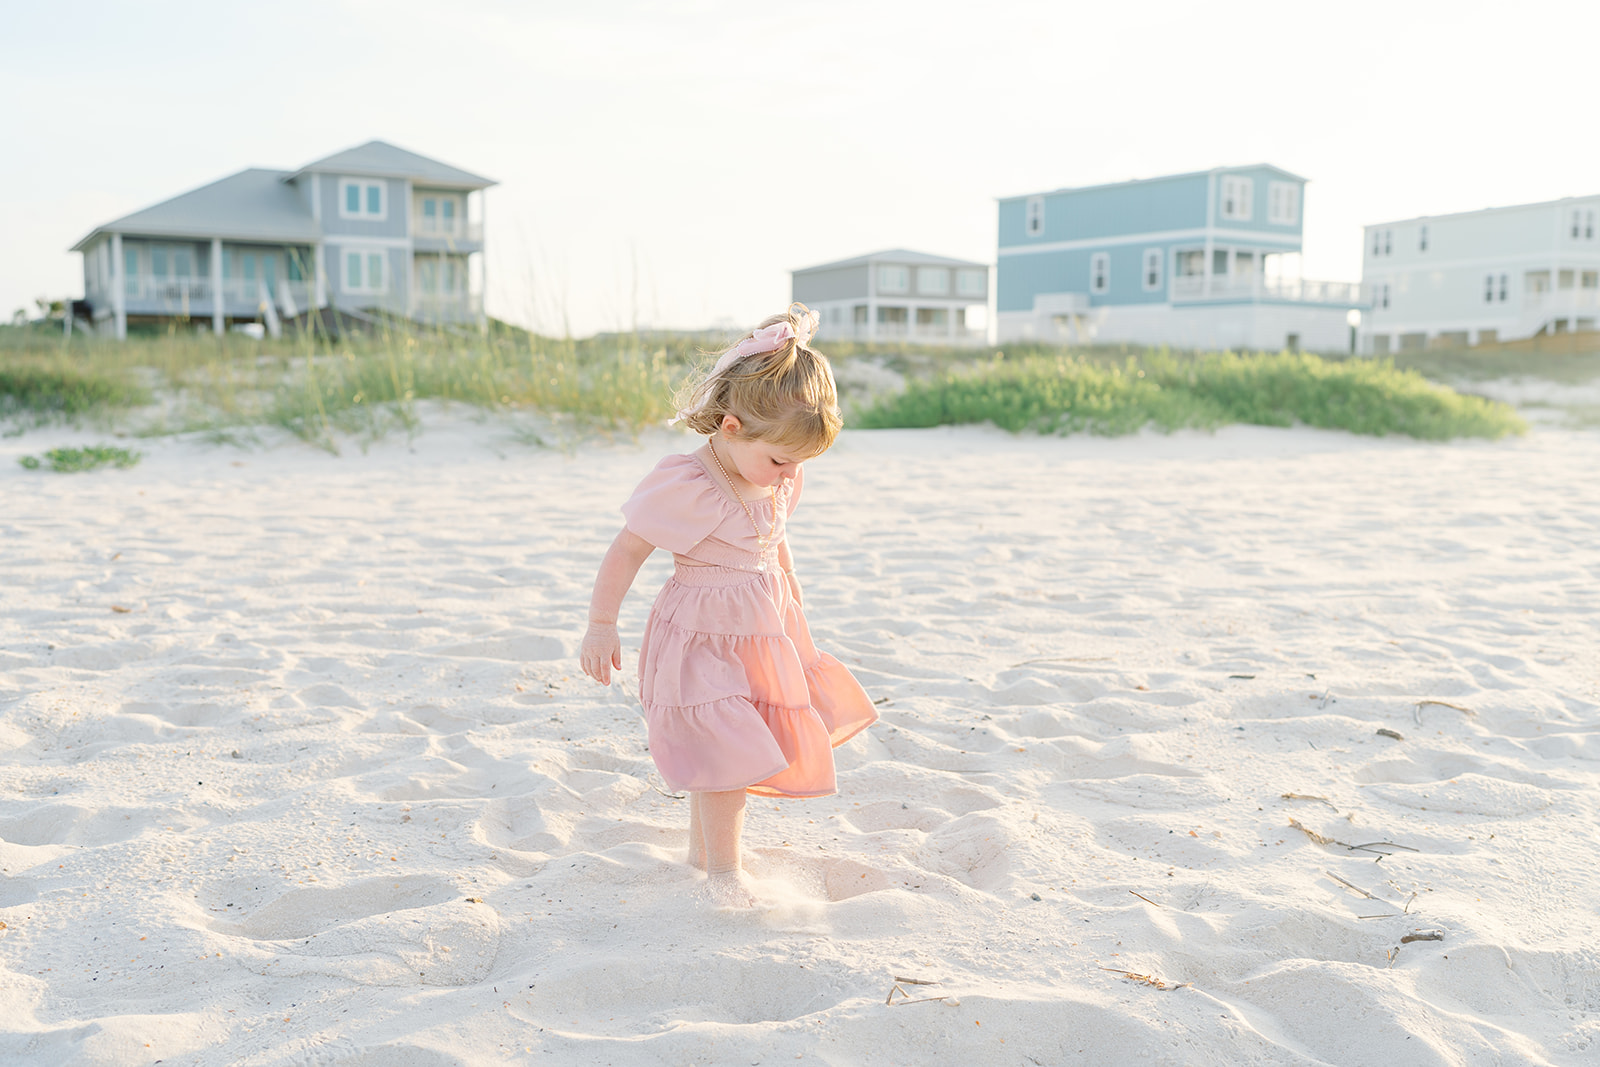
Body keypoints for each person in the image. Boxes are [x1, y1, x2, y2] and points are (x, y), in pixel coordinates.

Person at [579, 303, 877, 907]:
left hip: (761, 631)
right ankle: (723, 876)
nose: (790, 474)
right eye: (781, 460)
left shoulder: (776, 474)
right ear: (733, 427)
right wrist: (601, 625)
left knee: (733, 744)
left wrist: (793, 604)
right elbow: (626, 552)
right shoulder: (689, 486)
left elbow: (776, 541)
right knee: (724, 753)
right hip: (701, 636)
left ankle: (703, 859)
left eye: (800, 463)